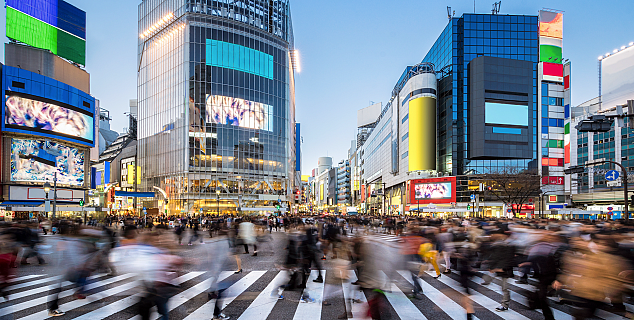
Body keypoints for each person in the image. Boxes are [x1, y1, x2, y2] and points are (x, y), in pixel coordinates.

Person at [488, 231, 516, 312]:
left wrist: (504, 268)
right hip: (499, 269)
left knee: (505, 288)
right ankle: (504, 304)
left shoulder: (509, 245)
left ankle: (504, 305)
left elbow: (509, 259)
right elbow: (495, 257)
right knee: (503, 287)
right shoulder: (498, 244)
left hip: (505, 270)